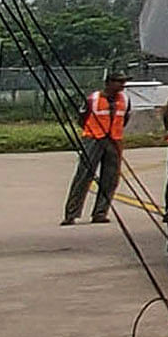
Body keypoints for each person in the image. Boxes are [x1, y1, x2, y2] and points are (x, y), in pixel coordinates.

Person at [62, 72, 130, 225]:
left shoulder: (125, 100)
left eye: (123, 82)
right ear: (108, 83)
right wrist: (93, 132)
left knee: (110, 178)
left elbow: (125, 119)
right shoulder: (93, 99)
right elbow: (82, 118)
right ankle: (71, 214)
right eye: (118, 82)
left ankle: (100, 212)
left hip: (114, 140)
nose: (122, 85)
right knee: (83, 176)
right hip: (94, 138)